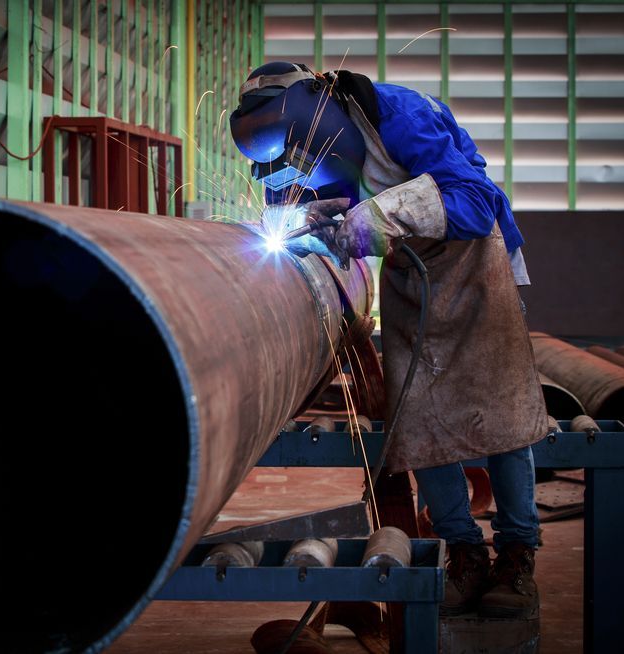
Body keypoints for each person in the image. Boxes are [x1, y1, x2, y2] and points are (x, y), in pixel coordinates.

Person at [230, 62, 549, 619]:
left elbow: (474, 204)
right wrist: (312, 218)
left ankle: (517, 556)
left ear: (312, 105)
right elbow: (306, 211)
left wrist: (379, 216)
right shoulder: (314, 146)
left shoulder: (399, 113)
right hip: (411, 275)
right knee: (414, 415)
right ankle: (466, 555)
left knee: (500, 410)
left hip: (474, 268)